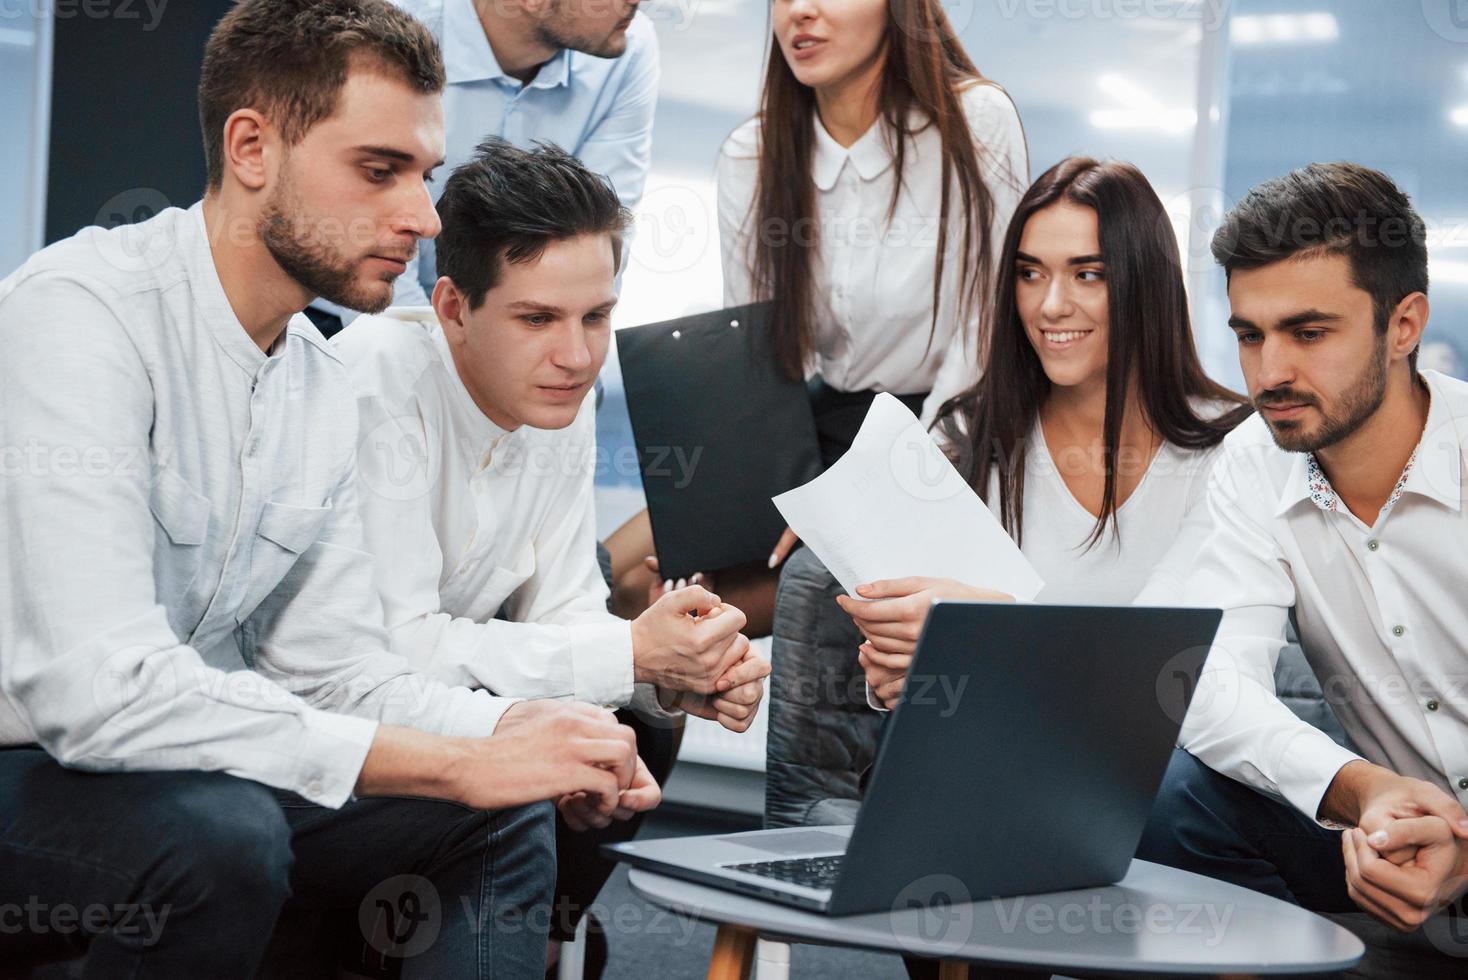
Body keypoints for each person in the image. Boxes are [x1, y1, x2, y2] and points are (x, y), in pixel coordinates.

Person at [0, 3, 657, 976]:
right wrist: (459, 755)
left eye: (425, 176)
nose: (425, 219)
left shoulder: (311, 375)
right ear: (253, 147)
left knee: (499, 811)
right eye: (379, 170)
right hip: (34, 762)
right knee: (219, 839)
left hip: (189, 766)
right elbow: (101, 694)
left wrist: (523, 737)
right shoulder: (82, 315)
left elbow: (339, 672)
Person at [334, 138, 768, 974]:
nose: (578, 356)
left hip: (443, 692)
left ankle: (540, 943)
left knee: (637, 720)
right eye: (538, 318)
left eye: (597, 317)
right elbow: (396, 653)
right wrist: (627, 651)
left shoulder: (552, 396)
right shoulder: (374, 385)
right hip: (341, 720)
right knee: (542, 766)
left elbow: (564, 603)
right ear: (455, 307)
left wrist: (674, 672)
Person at [605, 0, 1029, 634]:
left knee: (714, 607)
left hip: (950, 431)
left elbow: (984, 340)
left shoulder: (976, 121)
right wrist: (721, 509)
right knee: (626, 579)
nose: (799, 12)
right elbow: (755, 361)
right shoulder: (754, 152)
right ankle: (617, 731)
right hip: (820, 424)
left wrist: (857, 494)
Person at [1137, 163, 1468, 960]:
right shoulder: (1252, 461)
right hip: (1386, 834)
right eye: (1249, 335)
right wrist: (1364, 790)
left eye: (1308, 332)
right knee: (1169, 799)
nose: (1268, 374)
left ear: (1403, 325)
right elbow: (1208, 687)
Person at [847, 157, 1251, 708]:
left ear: (1145, 286)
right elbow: (919, 679)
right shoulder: (968, 434)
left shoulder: (1232, 451)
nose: (1050, 305)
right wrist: (899, 672)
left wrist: (980, 635)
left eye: (1088, 274)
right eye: (1030, 273)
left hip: (1163, 771)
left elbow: (1163, 670)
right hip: (982, 750)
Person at [387, 0, 659, 310]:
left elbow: (600, 242)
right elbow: (372, 249)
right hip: (360, 314)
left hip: (508, 329)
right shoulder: (388, 34)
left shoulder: (628, 48)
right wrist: (448, 352)